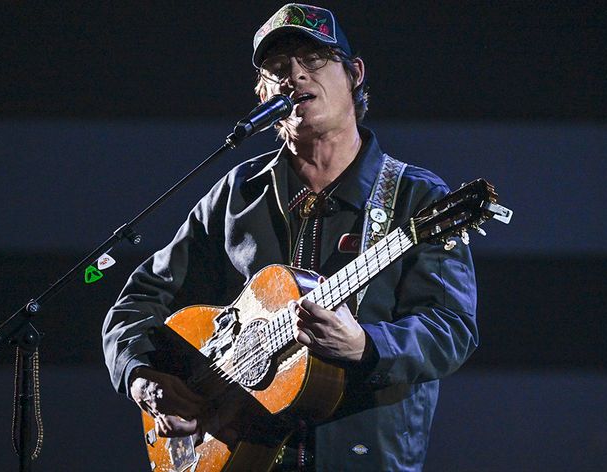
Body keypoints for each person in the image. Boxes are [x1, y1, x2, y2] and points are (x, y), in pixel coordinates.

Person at [103, 3, 478, 471]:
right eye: (278, 69)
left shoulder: (417, 196)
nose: (295, 77)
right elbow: (139, 301)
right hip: (236, 449)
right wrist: (142, 377)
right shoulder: (238, 194)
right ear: (263, 95)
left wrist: (367, 344)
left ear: (355, 74)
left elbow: (451, 329)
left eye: (314, 60)